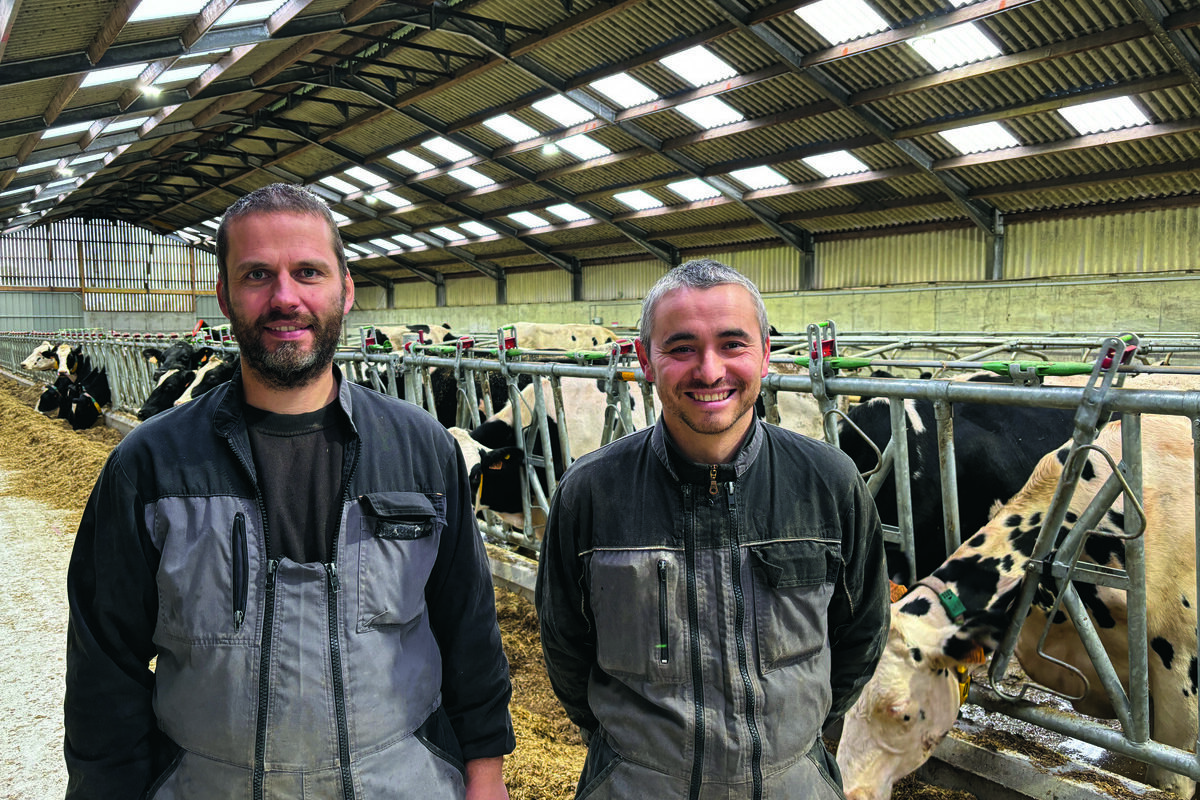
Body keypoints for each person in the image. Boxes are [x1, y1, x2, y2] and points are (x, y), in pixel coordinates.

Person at [64, 183, 514, 799]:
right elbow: (103, 668)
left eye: (308, 272)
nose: (285, 298)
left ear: (345, 290)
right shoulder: (149, 465)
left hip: (400, 783)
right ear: (223, 296)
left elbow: (469, 628)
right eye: (256, 275)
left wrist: (485, 771)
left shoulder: (422, 450)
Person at [535, 259, 889, 799]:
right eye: (681, 348)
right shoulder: (591, 492)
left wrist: (792, 746)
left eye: (732, 344)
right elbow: (566, 647)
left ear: (766, 354)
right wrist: (631, 758)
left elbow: (860, 634)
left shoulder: (829, 483)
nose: (709, 370)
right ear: (645, 362)